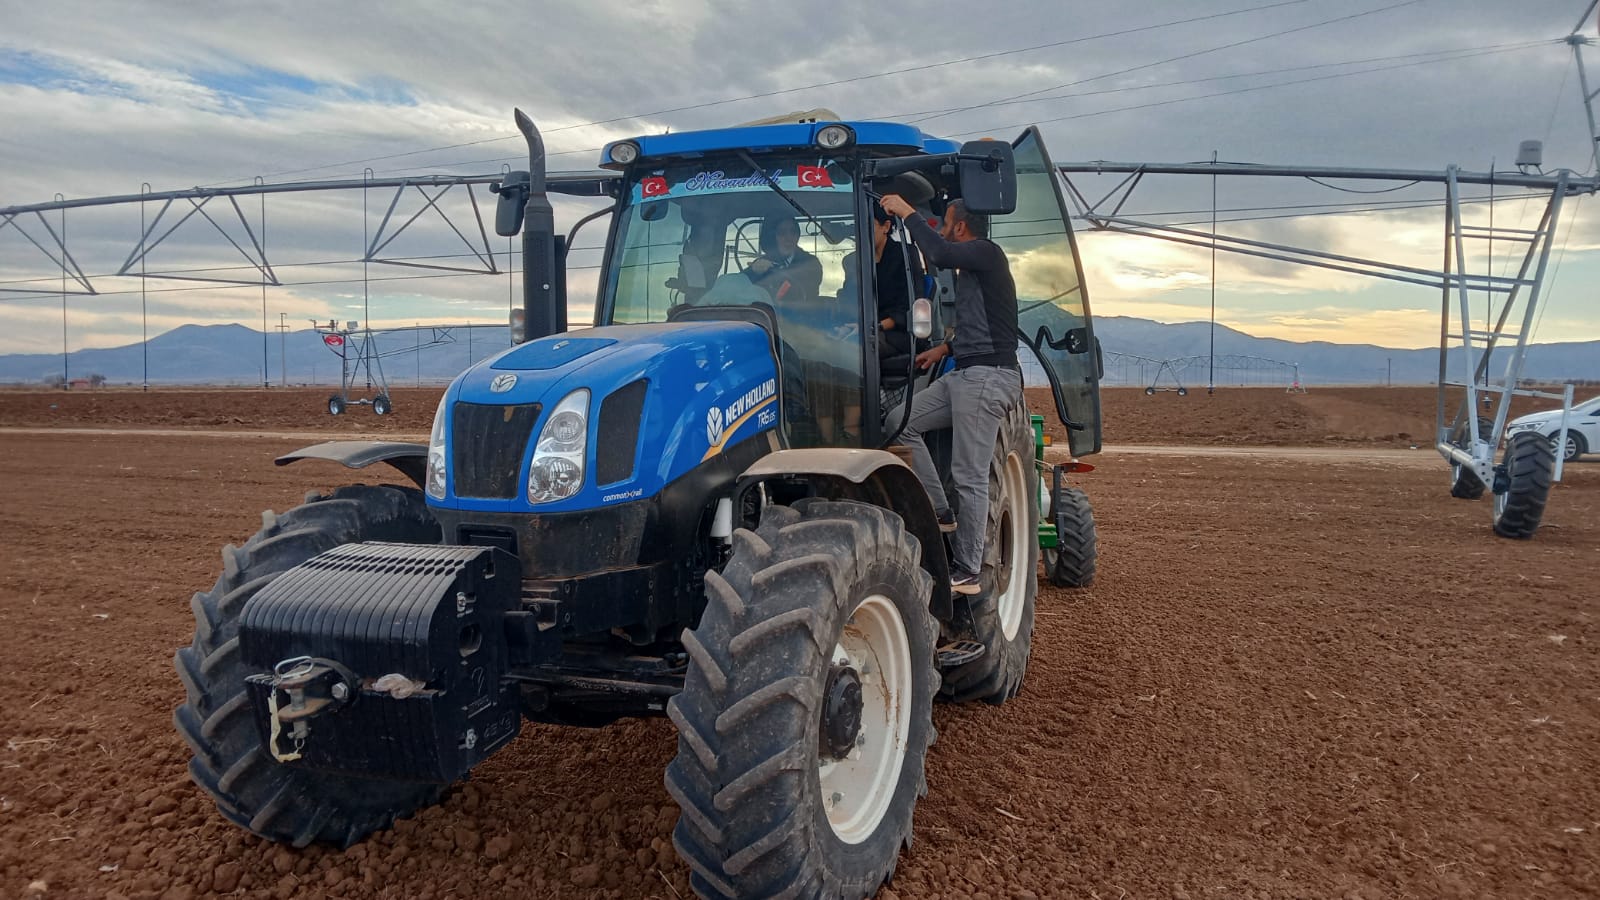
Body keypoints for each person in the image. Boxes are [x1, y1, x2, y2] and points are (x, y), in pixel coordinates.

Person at [878, 194, 1021, 596]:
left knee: (969, 475)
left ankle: (969, 569)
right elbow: (985, 324)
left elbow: (939, 253)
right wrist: (944, 349)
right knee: (900, 422)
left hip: (987, 377)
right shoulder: (974, 270)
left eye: (945, 224)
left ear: (960, 227)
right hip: (965, 372)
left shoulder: (987, 253)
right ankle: (940, 511)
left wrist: (907, 213)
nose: (941, 230)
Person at [744, 217, 822, 304]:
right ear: (774, 237)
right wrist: (754, 272)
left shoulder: (811, 263)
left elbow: (809, 292)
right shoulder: (762, 262)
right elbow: (741, 286)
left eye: (793, 232)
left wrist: (777, 272)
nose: (788, 237)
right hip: (766, 312)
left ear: (798, 236)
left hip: (802, 311)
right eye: (782, 233)